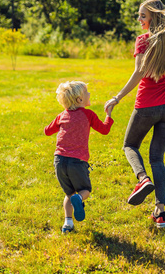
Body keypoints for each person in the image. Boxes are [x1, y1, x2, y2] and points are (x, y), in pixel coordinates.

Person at [104, 0, 165, 228]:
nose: (139, 19)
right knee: (157, 158)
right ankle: (160, 213)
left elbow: (139, 72)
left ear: (153, 17)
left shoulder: (143, 41)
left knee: (130, 146)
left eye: (143, 15)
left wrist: (117, 97)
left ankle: (142, 180)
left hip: (147, 105)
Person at [45, 81, 114, 233]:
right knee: (84, 190)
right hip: (77, 162)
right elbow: (104, 130)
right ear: (79, 100)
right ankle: (80, 199)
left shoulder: (62, 115)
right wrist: (108, 115)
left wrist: (60, 121)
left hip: (59, 161)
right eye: (87, 93)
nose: (89, 94)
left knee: (69, 194)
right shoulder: (88, 114)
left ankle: (67, 224)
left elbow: (47, 131)